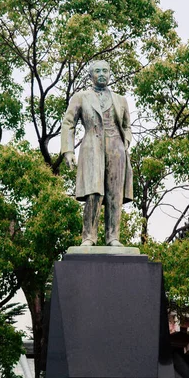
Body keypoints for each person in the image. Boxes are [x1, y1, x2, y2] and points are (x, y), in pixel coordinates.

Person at [61, 60, 133, 246]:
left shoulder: (120, 100)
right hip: (92, 146)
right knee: (94, 193)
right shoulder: (81, 97)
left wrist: (125, 142)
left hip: (116, 148)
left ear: (110, 74)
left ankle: (113, 237)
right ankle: (89, 237)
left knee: (114, 194)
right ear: (90, 75)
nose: (102, 74)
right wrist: (68, 150)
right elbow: (69, 123)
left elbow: (126, 125)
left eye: (105, 71)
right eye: (97, 71)